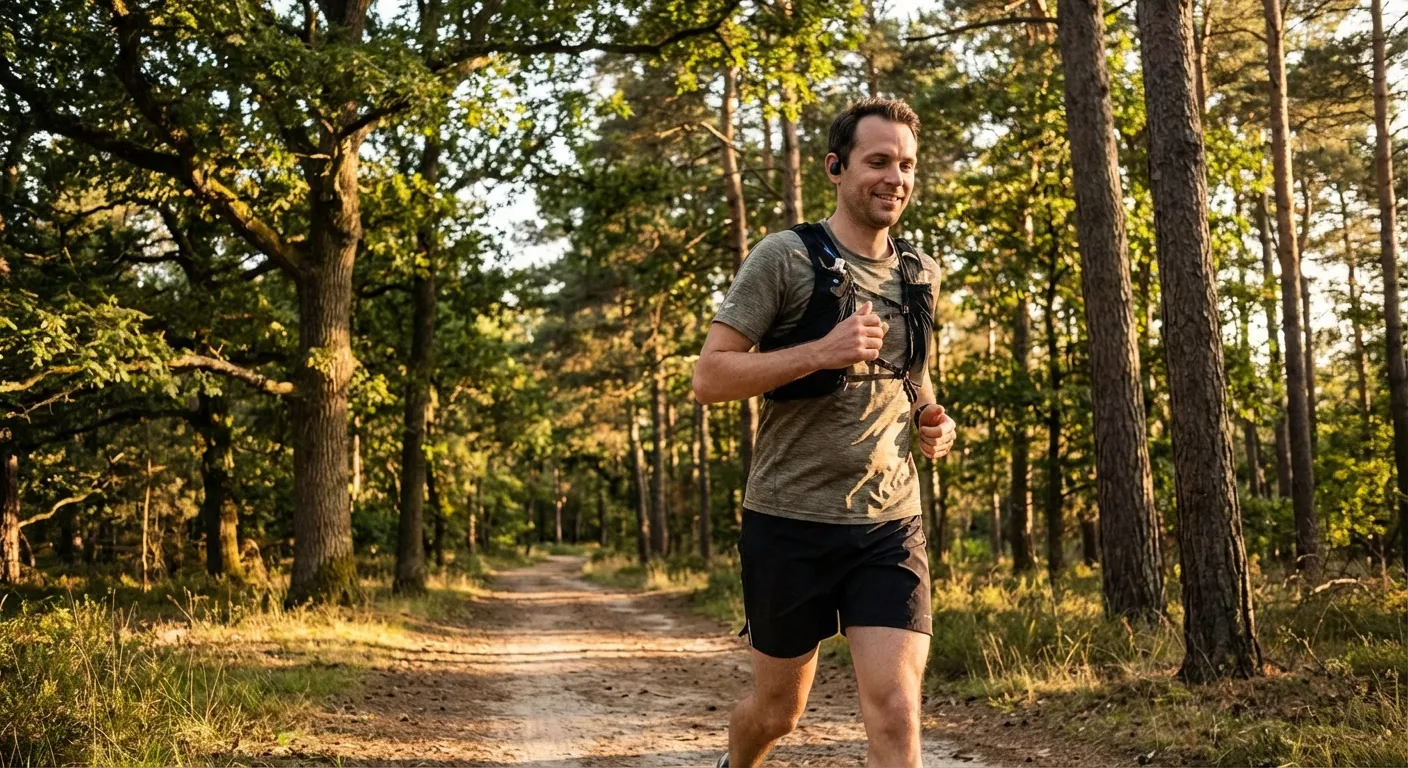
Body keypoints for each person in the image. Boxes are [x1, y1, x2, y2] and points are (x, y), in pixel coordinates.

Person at [693, 97, 958, 768]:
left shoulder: (919, 274)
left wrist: (934, 419)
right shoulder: (784, 259)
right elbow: (711, 378)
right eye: (877, 161)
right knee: (778, 713)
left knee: (896, 712)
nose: (894, 177)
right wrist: (819, 351)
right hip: (789, 519)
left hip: (889, 523)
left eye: (905, 164)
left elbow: (914, 378)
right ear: (836, 169)